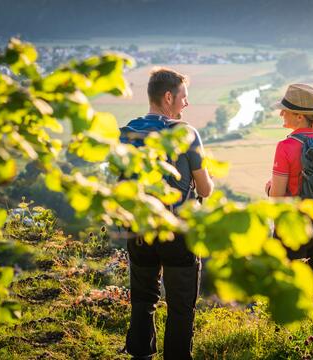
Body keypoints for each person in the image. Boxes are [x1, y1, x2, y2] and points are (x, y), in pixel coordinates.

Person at [124, 67, 213, 360]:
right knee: (181, 305)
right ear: (168, 97)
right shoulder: (186, 133)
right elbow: (205, 187)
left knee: (142, 299)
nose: (186, 104)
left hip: (139, 228)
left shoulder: (127, 132)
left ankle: (140, 355)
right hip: (179, 231)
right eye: (184, 97)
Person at [265, 83, 313, 295]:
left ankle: (284, 330)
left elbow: (277, 197)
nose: (280, 113)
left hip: (294, 228)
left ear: (299, 116)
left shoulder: (286, 146)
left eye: (285, 110)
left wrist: (269, 188)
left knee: (287, 292)